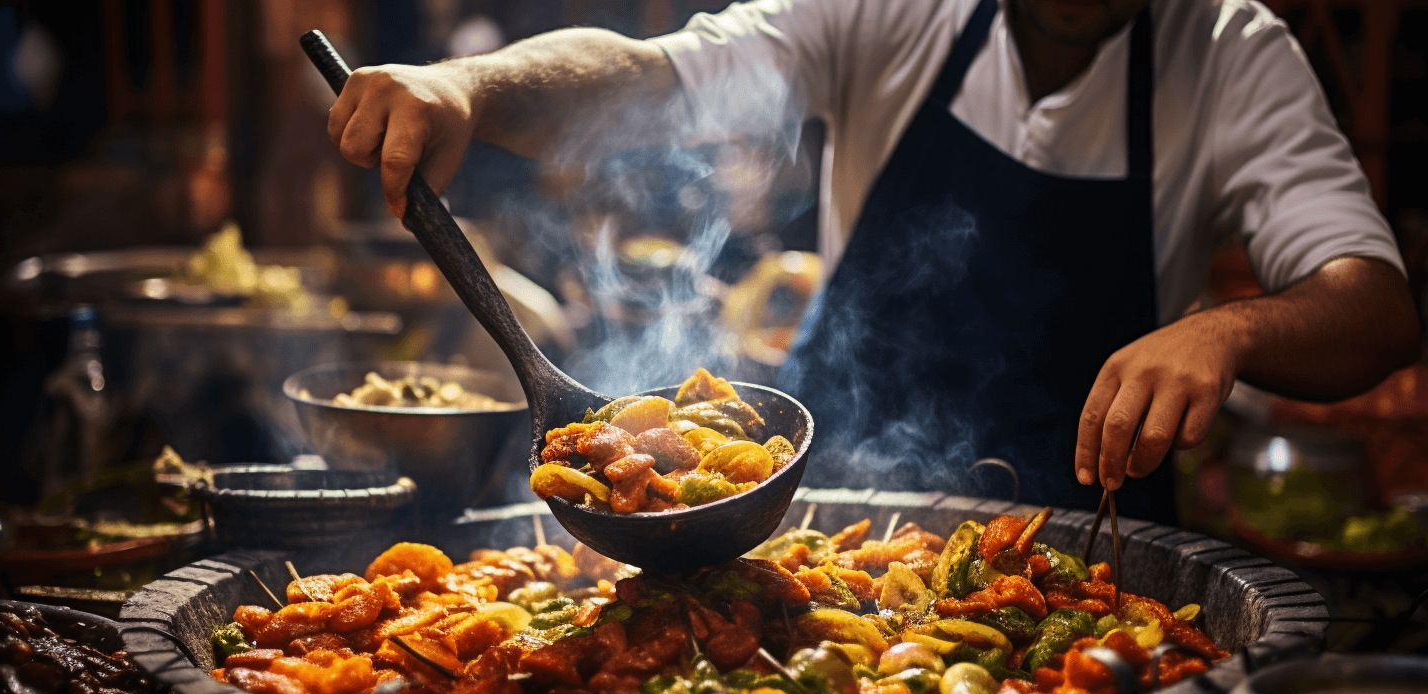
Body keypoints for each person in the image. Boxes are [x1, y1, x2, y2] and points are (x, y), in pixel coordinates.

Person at [326, 0, 1419, 521]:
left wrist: (1228, 330)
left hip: (1088, 557)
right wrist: (467, 88)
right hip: (821, 519)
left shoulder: (1233, 56)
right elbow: (648, 78)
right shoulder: (892, 11)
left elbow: (1371, 305)